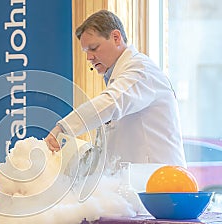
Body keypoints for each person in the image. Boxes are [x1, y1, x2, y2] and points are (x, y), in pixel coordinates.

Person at [45, 10, 186, 167]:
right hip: (138, 183)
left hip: (160, 183)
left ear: (116, 38)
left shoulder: (141, 71)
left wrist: (64, 128)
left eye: (93, 48)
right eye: (86, 52)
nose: (89, 58)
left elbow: (111, 102)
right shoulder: (118, 79)